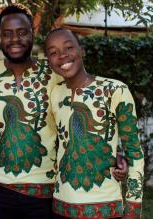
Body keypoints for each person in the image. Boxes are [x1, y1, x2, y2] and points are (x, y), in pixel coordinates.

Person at [0, 4, 128, 219]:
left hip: (46, 191)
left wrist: (115, 150)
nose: (15, 39)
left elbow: (85, 108)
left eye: (22, 32)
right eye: (7, 34)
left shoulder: (55, 72)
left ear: (32, 33)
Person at [44, 28, 144, 218]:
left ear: (82, 50)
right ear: (49, 61)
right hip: (61, 207)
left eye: (68, 47)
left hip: (106, 208)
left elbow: (135, 152)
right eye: (53, 53)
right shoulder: (54, 94)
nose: (62, 56)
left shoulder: (115, 90)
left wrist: (133, 208)